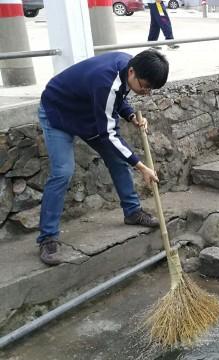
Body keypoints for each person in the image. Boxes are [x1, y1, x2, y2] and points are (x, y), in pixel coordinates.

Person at [37, 49, 170, 265]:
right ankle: (47, 238)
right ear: (132, 72)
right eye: (145, 86)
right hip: (58, 112)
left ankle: (132, 212)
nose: (145, 92)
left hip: (89, 114)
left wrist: (129, 115)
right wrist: (140, 166)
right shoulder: (105, 79)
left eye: (150, 89)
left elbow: (116, 98)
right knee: (63, 171)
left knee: (117, 159)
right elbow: (109, 131)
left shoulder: (129, 68)